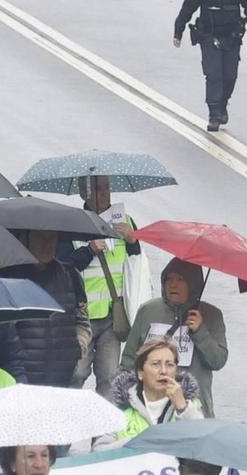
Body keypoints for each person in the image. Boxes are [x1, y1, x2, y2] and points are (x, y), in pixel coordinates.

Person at [171, 0, 247, 133]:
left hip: (232, 37)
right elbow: (187, 8)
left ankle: (222, 104)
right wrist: (178, 32)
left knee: (230, 75)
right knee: (213, 75)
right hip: (209, 36)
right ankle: (214, 114)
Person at [126, 257, 228, 417]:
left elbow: (218, 361)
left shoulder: (211, 315)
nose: (173, 285)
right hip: (150, 407)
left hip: (193, 409)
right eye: (169, 279)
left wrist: (200, 331)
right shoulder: (148, 311)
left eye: (180, 280)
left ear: (193, 284)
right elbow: (129, 359)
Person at [68, 178, 138, 391]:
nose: (104, 194)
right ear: (84, 194)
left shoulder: (125, 220)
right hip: (82, 315)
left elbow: (137, 263)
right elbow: (65, 265)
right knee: (76, 373)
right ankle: (71, 419)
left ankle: (107, 423)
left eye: (107, 188)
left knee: (109, 378)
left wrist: (133, 240)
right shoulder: (71, 223)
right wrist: (88, 251)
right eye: (98, 189)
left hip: (112, 314)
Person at [2, 229, 85, 388]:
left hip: (63, 375)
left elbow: (82, 318)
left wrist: (77, 350)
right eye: (40, 237)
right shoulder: (8, 276)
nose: (46, 244)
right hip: (21, 376)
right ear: (27, 239)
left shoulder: (70, 275)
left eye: (51, 238)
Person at [110, 336, 203, 443]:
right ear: (140, 372)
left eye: (169, 365)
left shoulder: (191, 405)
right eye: (155, 364)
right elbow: (100, 450)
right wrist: (137, 443)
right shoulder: (118, 409)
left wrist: (183, 408)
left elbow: (202, 444)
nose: (163, 371)